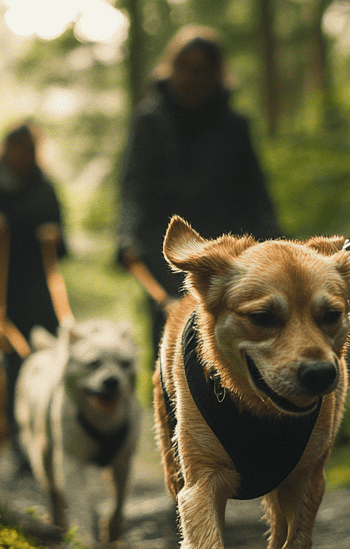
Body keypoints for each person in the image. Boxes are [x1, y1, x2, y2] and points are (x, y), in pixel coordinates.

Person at [117, 25, 281, 353]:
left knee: (227, 341)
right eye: (186, 68)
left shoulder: (235, 125)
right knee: (170, 336)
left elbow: (254, 192)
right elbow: (133, 185)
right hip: (164, 250)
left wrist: (275, 240)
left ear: (216, 74)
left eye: (203, 70)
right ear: (172, 68)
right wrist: (127, 235)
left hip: (226, 253)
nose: (193, 78)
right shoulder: (149, 121)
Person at [0, 122, 69, 342]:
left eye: (28, 147)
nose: (22, 153)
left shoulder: (45, 189)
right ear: (5, 148)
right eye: (17, 146)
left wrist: (54, 236)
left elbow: (62, 247)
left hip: (35, 289)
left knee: (41, 340)